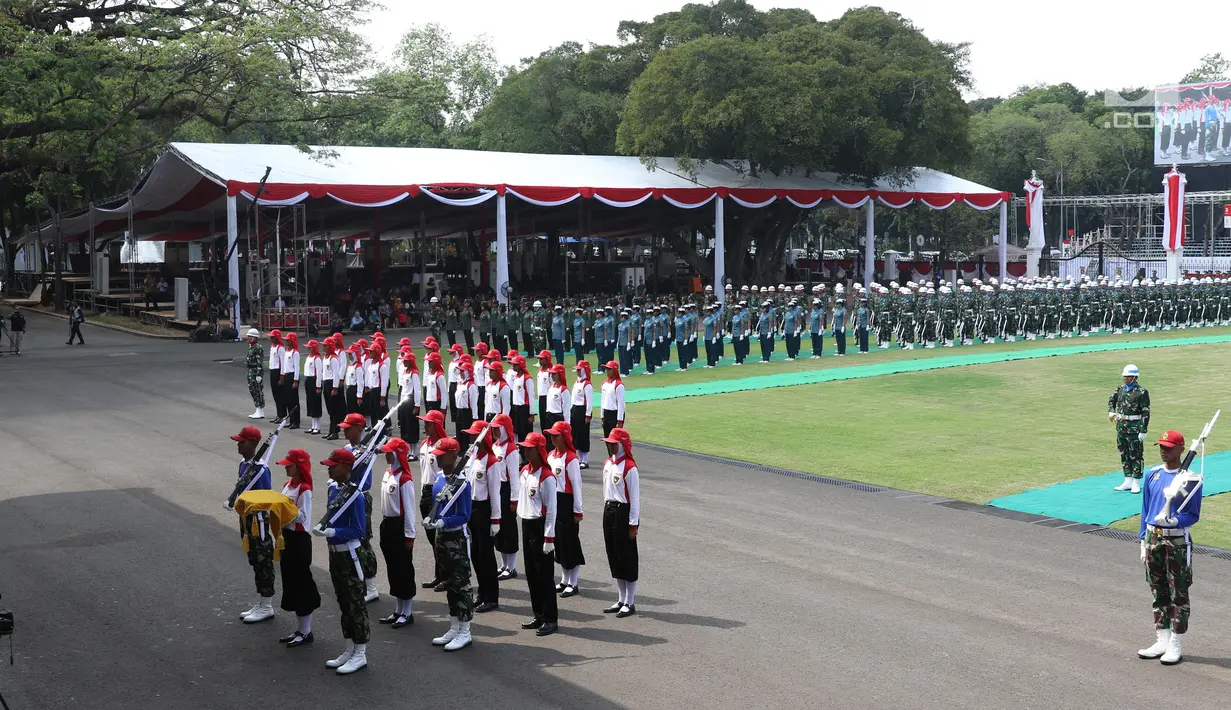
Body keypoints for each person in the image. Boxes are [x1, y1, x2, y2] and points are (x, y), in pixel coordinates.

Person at [1136, 429, 1201, 666]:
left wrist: (1175, 520)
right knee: (1158, 589)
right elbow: (1145, 509)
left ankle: (1175, 642)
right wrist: (1143, 539)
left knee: (1178, 593)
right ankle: (1161, 639)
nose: (1164, 451)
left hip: (1175, 540)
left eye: (1169, 447)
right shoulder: (1152, 474)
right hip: (1153, 538)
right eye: (1161, 446)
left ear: (1180, 450)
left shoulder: (1191, 479)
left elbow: (1193, 514)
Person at [313, 447, 370, 675]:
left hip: (349, 554)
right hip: (335, 554)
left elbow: (359, 530)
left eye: (333, 465)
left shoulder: (356, 496)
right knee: (343, 603)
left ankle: (360, 652)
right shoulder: (334, 490)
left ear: (345, 468)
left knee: (356, 604)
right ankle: (349, 647)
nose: (329, 468)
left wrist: (332, 533)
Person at [424, 437, 476, 651]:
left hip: (457, 538)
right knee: (449, 583)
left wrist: (444, 521)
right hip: (442, 537)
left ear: (453, 457)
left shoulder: (462, 484)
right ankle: (454, 626)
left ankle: (465, 630)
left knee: (461, 584)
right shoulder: (438, 478)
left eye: (440, 455)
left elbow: (464, 515)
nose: (436, 459)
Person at [227, 425, 276, 623]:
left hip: (258, 521)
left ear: (254, 444)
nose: (238, 444)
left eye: (242, 441)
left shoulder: (261, 470)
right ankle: (262, 601)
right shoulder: (244, 464)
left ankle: (267, 605)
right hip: (246, 519)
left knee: (262, 561)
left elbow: (265, 499)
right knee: (254, 560)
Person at [274, 448, 321, 646]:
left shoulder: (304, 489)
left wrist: (284, 508)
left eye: (289, 465)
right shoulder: (287, 485)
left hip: (299, 540)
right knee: (291, 584)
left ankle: (306, 631)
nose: (286, 469)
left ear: (299, 466)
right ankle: (300, 630)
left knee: (301, 584)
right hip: (286, 538)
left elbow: (304, 518)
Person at [516, 432, 559, 636]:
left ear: (539, 451)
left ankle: (550, 618)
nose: (525, 451)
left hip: (540, 527)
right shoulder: (524, 471)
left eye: (529, 448)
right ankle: (538, 614)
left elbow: (551, 509)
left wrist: (549, 537)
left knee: (544, 576)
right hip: (527, 525)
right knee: (532, 574)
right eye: (525, 447)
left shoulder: (547, 477)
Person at [339, 413, 381, 603]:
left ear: (359, 428)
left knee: (363, 540)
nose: (345, 430)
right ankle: (358, 578)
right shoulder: (347, 449)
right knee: (351, 539)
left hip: (360, 498)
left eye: (348, 427)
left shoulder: (368, 451)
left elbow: (365, 480)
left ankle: (371, 585)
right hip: (345, 496)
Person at [377, 437, 418, 628]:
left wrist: (409, 535)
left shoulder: (404, 479)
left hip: (400, 527)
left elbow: (410, 510)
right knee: (393, 568)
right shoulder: (387, 474)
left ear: (397, 454)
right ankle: (398, 609)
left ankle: (407, 611)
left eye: (389, 453)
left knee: (403, 569)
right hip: (387, 525)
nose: (386, 455)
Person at [463, 420, 503, 613]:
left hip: (485, 510)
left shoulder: (492, 462)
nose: (470, 438)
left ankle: (491, 597)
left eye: (473, 435)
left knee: (486, 556)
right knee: (476, 555)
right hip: (471, 509)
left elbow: (495, 493)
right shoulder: (472, 457)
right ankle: (481, 594)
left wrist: (495, 520)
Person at [600, 427, 640, 617]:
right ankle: (621, 598)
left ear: (622, 445)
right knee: (614, 554)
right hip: (609, 510)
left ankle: (630, 602)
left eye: (613, 443)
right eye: (609, 443)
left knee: (627, 557)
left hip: (623, 513)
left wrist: (633, 524)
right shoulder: (608, 464)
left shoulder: (630, 467)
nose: (610, 446)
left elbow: (635, 499)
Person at [547, 421, 585, 598]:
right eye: (552, 435)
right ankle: (564, 579)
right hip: (554, 500)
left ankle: (573, 582)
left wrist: (577, 510)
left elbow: (577, 486)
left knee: (570, 541)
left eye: (557, 435)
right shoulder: (551, 456)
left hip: (566, 502)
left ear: (565, 437)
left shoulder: (571, 458)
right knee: (559, 541)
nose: (553, 438)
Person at [416, 410, 448, 591]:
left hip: (438, 492)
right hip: (426, 491)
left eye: (428, 423)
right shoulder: (424, 445)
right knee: (432, 537)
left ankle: (445, 575)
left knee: (439, 537)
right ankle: (439, 573)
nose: (425, 425)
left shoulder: (442, 446)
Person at [1108, 364, 1150, 493]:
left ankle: (1136, 481)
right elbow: (1112, 401)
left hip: (1134, 427)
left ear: (1135, 377)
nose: (1125, 379)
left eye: (1128, 376)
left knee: (1136, 454)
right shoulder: (1120, 389)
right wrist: (1111, 412)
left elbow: (1145, 412)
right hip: (1121, 427)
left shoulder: (1142, 392)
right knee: (1124, 453)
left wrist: (1143, 430)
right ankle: (1128, 480)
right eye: (1124, 376)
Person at [491, 414, 521, 581]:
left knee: (509, 529)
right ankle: (503, 564)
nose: (495, 431)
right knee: (499, 529)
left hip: (506, 489)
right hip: (496, 489)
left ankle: (511, 566)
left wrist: (514, 499)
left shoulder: (511, 449)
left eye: (498, 428)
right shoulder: (495, 446)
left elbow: (514, 476)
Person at [570, 361, 594, 468]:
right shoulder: (576, 382)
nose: (578, 371)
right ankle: (580, 459)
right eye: (577, 369)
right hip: (575, 410)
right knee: (576, 436)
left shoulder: (587, 384)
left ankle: (585, 460)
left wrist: (588, 415)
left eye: (580, 369)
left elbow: (589, 401)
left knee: (583, 435)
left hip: (582, 411)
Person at [397, 349, 422, 448]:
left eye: (406, 360)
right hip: (404, 400)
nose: (404, 362)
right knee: (404, 424)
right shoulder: (404, 372)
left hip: (411, 400)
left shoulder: (414, 373)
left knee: (411, 425)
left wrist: (417, 405)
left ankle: (413, 451)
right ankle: (405, 447)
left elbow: (417, 390)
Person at [454, 362, 479, 450]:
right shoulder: (460, 384)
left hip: (467, 412)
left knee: (465, 432)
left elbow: (473, 402)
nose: (460, 373)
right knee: (459, 430)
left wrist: (474, 417)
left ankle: (465, 449)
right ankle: (459, 448)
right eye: (460, 371)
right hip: (459, 411)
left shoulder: (471, 385)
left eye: (462, 371)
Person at [543, 364, 569, 450]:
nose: (552, 376)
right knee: (550, 440)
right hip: (549, 416)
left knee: (558, 441)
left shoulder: (563, 389)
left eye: (555, 374)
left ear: (560, 374)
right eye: (552, 374)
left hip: (558, 417)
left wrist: (567, 424)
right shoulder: (551, 388)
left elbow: (566, 408)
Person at [510, 356, 535, 441]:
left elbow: (531, 396)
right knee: (518, 433)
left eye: (515, 365)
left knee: (525, 434)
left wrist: (531, 414)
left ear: (521, 365)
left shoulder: (527, 378)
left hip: (524, 409)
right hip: (516, 409)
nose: (513, 366)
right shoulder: (516, 377)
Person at [599, 360, 626, 437]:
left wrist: (620, 421)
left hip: (615, 414)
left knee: (615, 439)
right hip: (606, 413)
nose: (606, 371)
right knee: (607, 437)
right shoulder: (604, 383)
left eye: (609, 369)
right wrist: (602, 416)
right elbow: (602, 400)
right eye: (606, 369)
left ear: (614, 370)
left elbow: (621, 404)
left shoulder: (619, 385)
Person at [244, 328, 266, 419]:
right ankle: (257, 408)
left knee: (258, 391)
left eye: (249, 336)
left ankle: (260, 410)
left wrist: (258, 374)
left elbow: (259, 362)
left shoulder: (258, 348)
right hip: (250, 371)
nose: (247, 338)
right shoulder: (251, 347)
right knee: (252, 390)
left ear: (254, 337)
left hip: (255, 372)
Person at [281, 332, 302, 429]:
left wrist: (296, 380)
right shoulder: (287, 351)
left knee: (294, 400)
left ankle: (296, 421)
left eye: (288, 340)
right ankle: (291, 420)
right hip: (286, 375)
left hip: (292, 375)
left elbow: (297, 367)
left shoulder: (295, 352)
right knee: (288, 400)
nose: (286, 341)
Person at [303, 340, 324, 434]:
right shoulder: (309, 357)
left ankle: (317, 426)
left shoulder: (317, 358)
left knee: (316, 403)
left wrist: (318, 386)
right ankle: (313, 425)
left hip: (314, 381)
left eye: (310, 347)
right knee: (310, 403)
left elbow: (319, 373)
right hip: (308, 380)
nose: (308, 348)